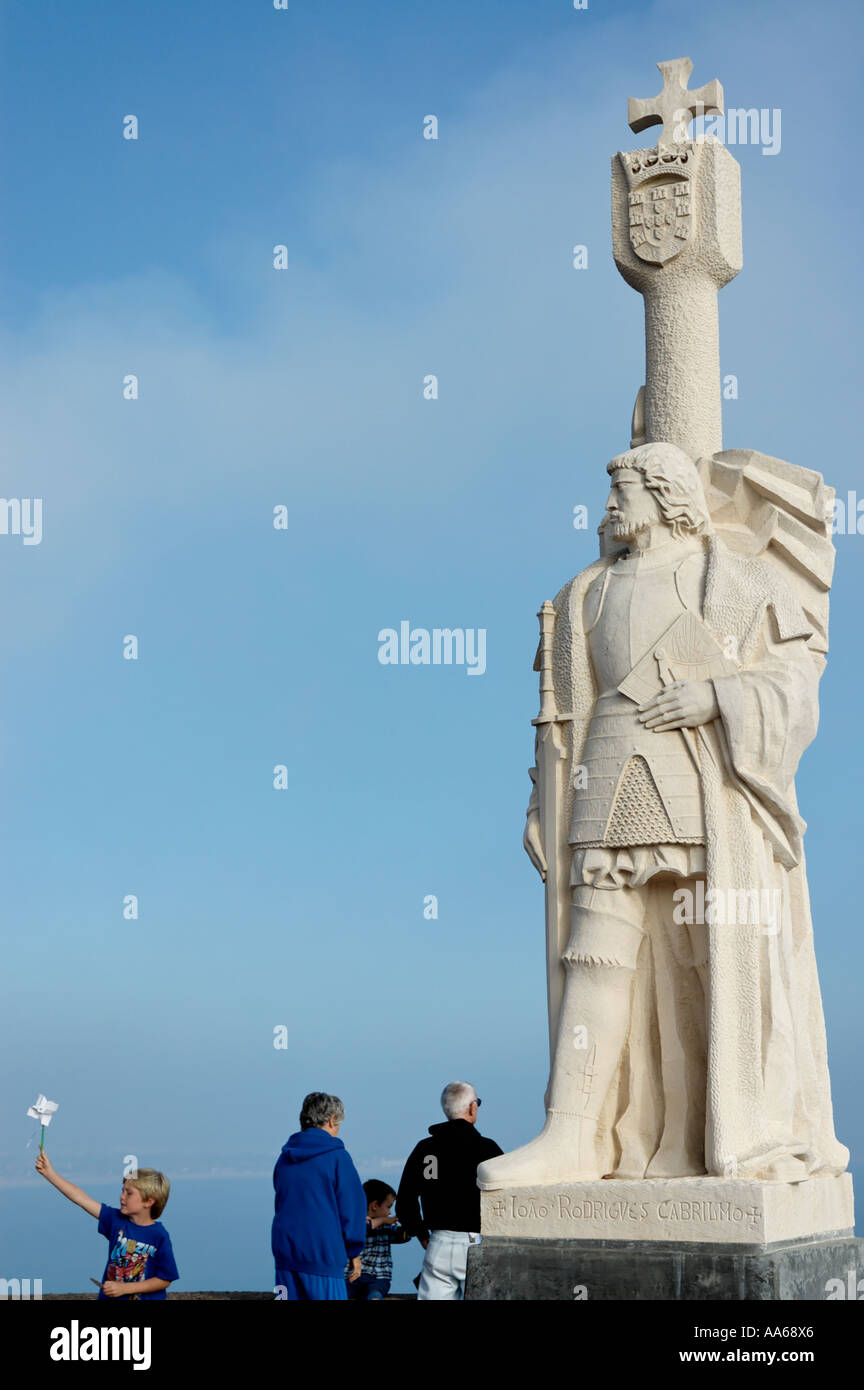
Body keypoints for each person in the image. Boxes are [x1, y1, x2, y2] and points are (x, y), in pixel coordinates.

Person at [397, 1081, 502, 1301]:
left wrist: (421, 1234)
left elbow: (405, 1201)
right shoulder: (487, 1149)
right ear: (472, 1108)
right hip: (476, 1243)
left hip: (438, 1242)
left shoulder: (425, 1149)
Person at [35, 1151, 178, 1299]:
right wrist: (49, 1173)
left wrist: (125, 1289)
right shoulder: (116, 1220)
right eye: (122, 1190)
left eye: (129, 1193)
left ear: (149, 1201)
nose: (122, 1196)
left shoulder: (159, 1235)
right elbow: (81, 1199)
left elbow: (165, 1279)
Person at [272, 1091, 367, 1301]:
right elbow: (352, 1207)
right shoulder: (337, 1157)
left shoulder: (284, 1158)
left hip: (285, 1254)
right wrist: (355, 1251)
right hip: (322, 1255)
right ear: (332, 1120)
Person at [346, 1179, 412, 1301]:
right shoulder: (356, 1222)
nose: (390, 1212)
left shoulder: (386, 1227)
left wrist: (409, 1225)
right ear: (375, 1205)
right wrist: (383, 1220)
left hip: (379, 1278)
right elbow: (360, 1229)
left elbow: (403, 1236)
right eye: (388, 1207)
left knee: (375, 1293)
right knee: (342, 1292)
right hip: (354, 1276)